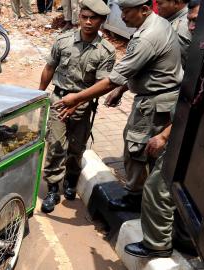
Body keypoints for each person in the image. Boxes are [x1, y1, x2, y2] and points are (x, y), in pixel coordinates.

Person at [54, 0, 183, 212]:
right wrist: (121, 90)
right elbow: (140, 69)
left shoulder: (147, 37)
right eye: (121, 11)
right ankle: (141, 197)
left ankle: (136, 200)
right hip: (156, 99)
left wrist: (77, 98)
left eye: (126, 11)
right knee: (142, 150)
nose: (122, 16)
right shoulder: (158, 24)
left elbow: (112, 78)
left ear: (144, 9)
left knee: (137, 150)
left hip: (153, 103)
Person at [124, 0, 200, 258]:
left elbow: (189, 94)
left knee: (160, 184)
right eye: (190, 20)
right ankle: (182, 237)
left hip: (183, 119)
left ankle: (159, 245)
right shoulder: (189, 38)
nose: (192, 26)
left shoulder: (192, 44)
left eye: (197, 21)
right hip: (182, 115)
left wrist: (166, 134)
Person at [39, 0, 116, 213]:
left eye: (94, 18)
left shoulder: (105, 51)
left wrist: (78, 102)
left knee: (76, 148)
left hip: (83, 106)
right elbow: (49, 67)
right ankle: (53, 188)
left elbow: (101, 85)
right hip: (59, 100)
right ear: (79, 17)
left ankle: (71, 181)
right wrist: (38, 94)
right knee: (55, 144)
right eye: (85, 17)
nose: (88, 22)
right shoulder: (63, 41)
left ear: (102, 21)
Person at [156, 0, 191, 65]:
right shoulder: (172, 19)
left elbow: (174, 63)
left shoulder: (182, 26)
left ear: (176, 3)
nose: (157, 8)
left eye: (160, 4)